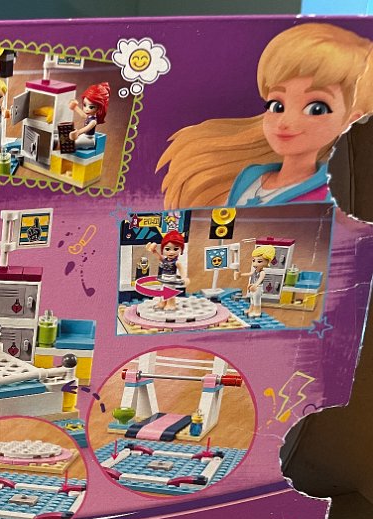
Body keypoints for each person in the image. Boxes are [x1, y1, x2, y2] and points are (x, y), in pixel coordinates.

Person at [158, 23, 373, 208]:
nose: (285, 122)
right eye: (277, 105)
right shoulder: (250, 177)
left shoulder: (331, 193)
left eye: (316, 109)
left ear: (352, 121)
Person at [66, 82, 110, 149]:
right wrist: (75, 107)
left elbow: (86, 128)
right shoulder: (89, 117)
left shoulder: (93, 121)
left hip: (89, 140)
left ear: (99, 108)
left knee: (71, 144)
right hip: (84, 136)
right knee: (68, 141)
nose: (86, 109)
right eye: (84, 105)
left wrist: (77, 132)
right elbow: (82, 114)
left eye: (91, 107)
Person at [246, 245, 276, 318]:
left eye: (259, 261)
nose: (255, 263)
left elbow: (260, 280)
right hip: (252, 287)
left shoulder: (262, 272)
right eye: (254, 260)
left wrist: (255, 285)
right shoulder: (255, 270)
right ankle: (251, 309)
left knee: (256, 300)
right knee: (252, 299)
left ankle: (257, 312)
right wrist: (240, 274)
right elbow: (250, 274)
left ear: (268, 262)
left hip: (258, 288)